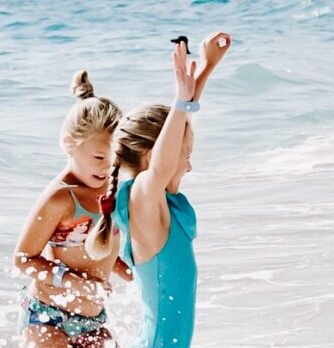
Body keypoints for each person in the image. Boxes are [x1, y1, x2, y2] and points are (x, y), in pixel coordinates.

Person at [85, 32, 231, 348]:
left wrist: (206, 69)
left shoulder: (160, 204)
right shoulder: (141, 201)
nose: (189, 167)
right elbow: (162, 163)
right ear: (155, 157)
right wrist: (180, 99)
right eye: (187, 157)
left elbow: (180, 131)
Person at [13, 70, 132, 348]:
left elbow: (100, 249)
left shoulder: (114, 190)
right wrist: (76, 283)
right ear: (69, 144)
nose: (106, 166)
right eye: (99, 157)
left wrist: (135, 274)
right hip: (47, 315)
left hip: (93, 319)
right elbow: (23, 258)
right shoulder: (61, 198)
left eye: (115, 158)